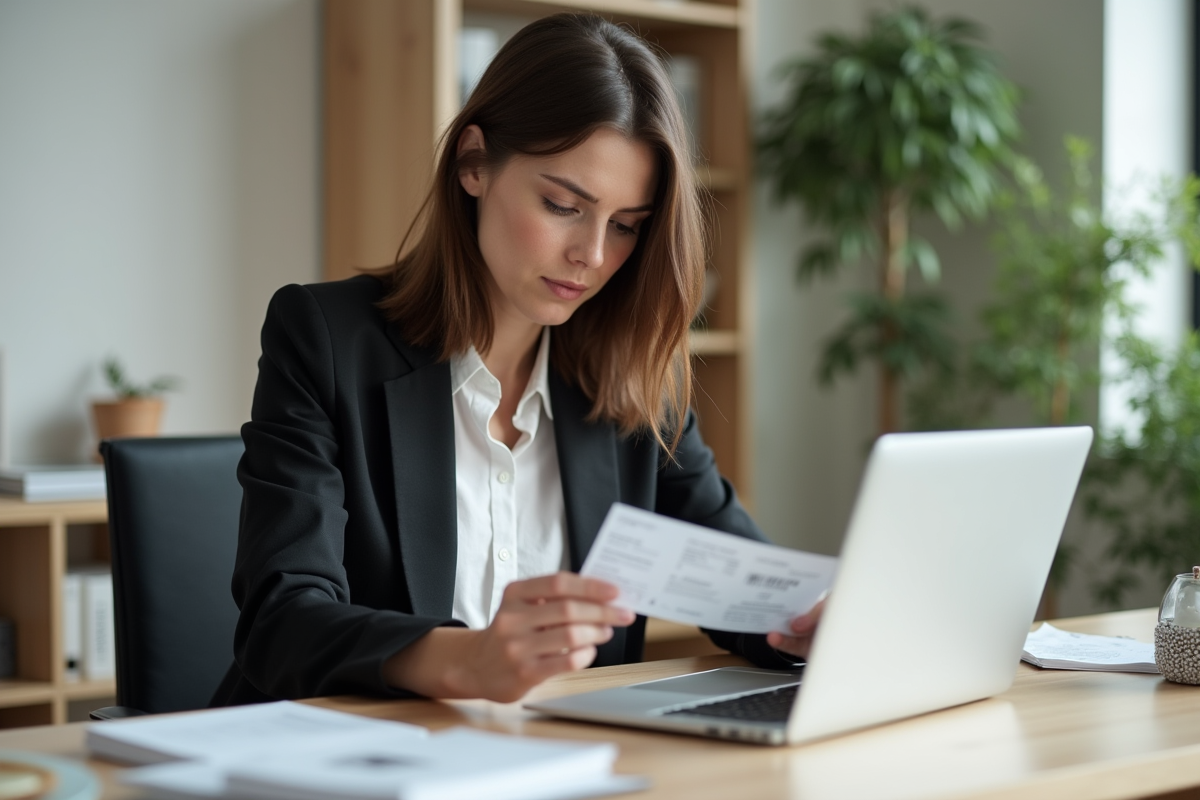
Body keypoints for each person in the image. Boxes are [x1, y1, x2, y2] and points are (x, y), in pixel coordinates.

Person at [211, 12, 820, 707]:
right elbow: (281, 621)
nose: (592, 255)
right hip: (341, 759)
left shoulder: (630, 377)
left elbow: (741, 585)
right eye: (563, 205)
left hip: (559, 760)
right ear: (473, 162)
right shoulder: (324, 337)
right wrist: (464, 660)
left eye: (626, 227)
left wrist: (814, 619)